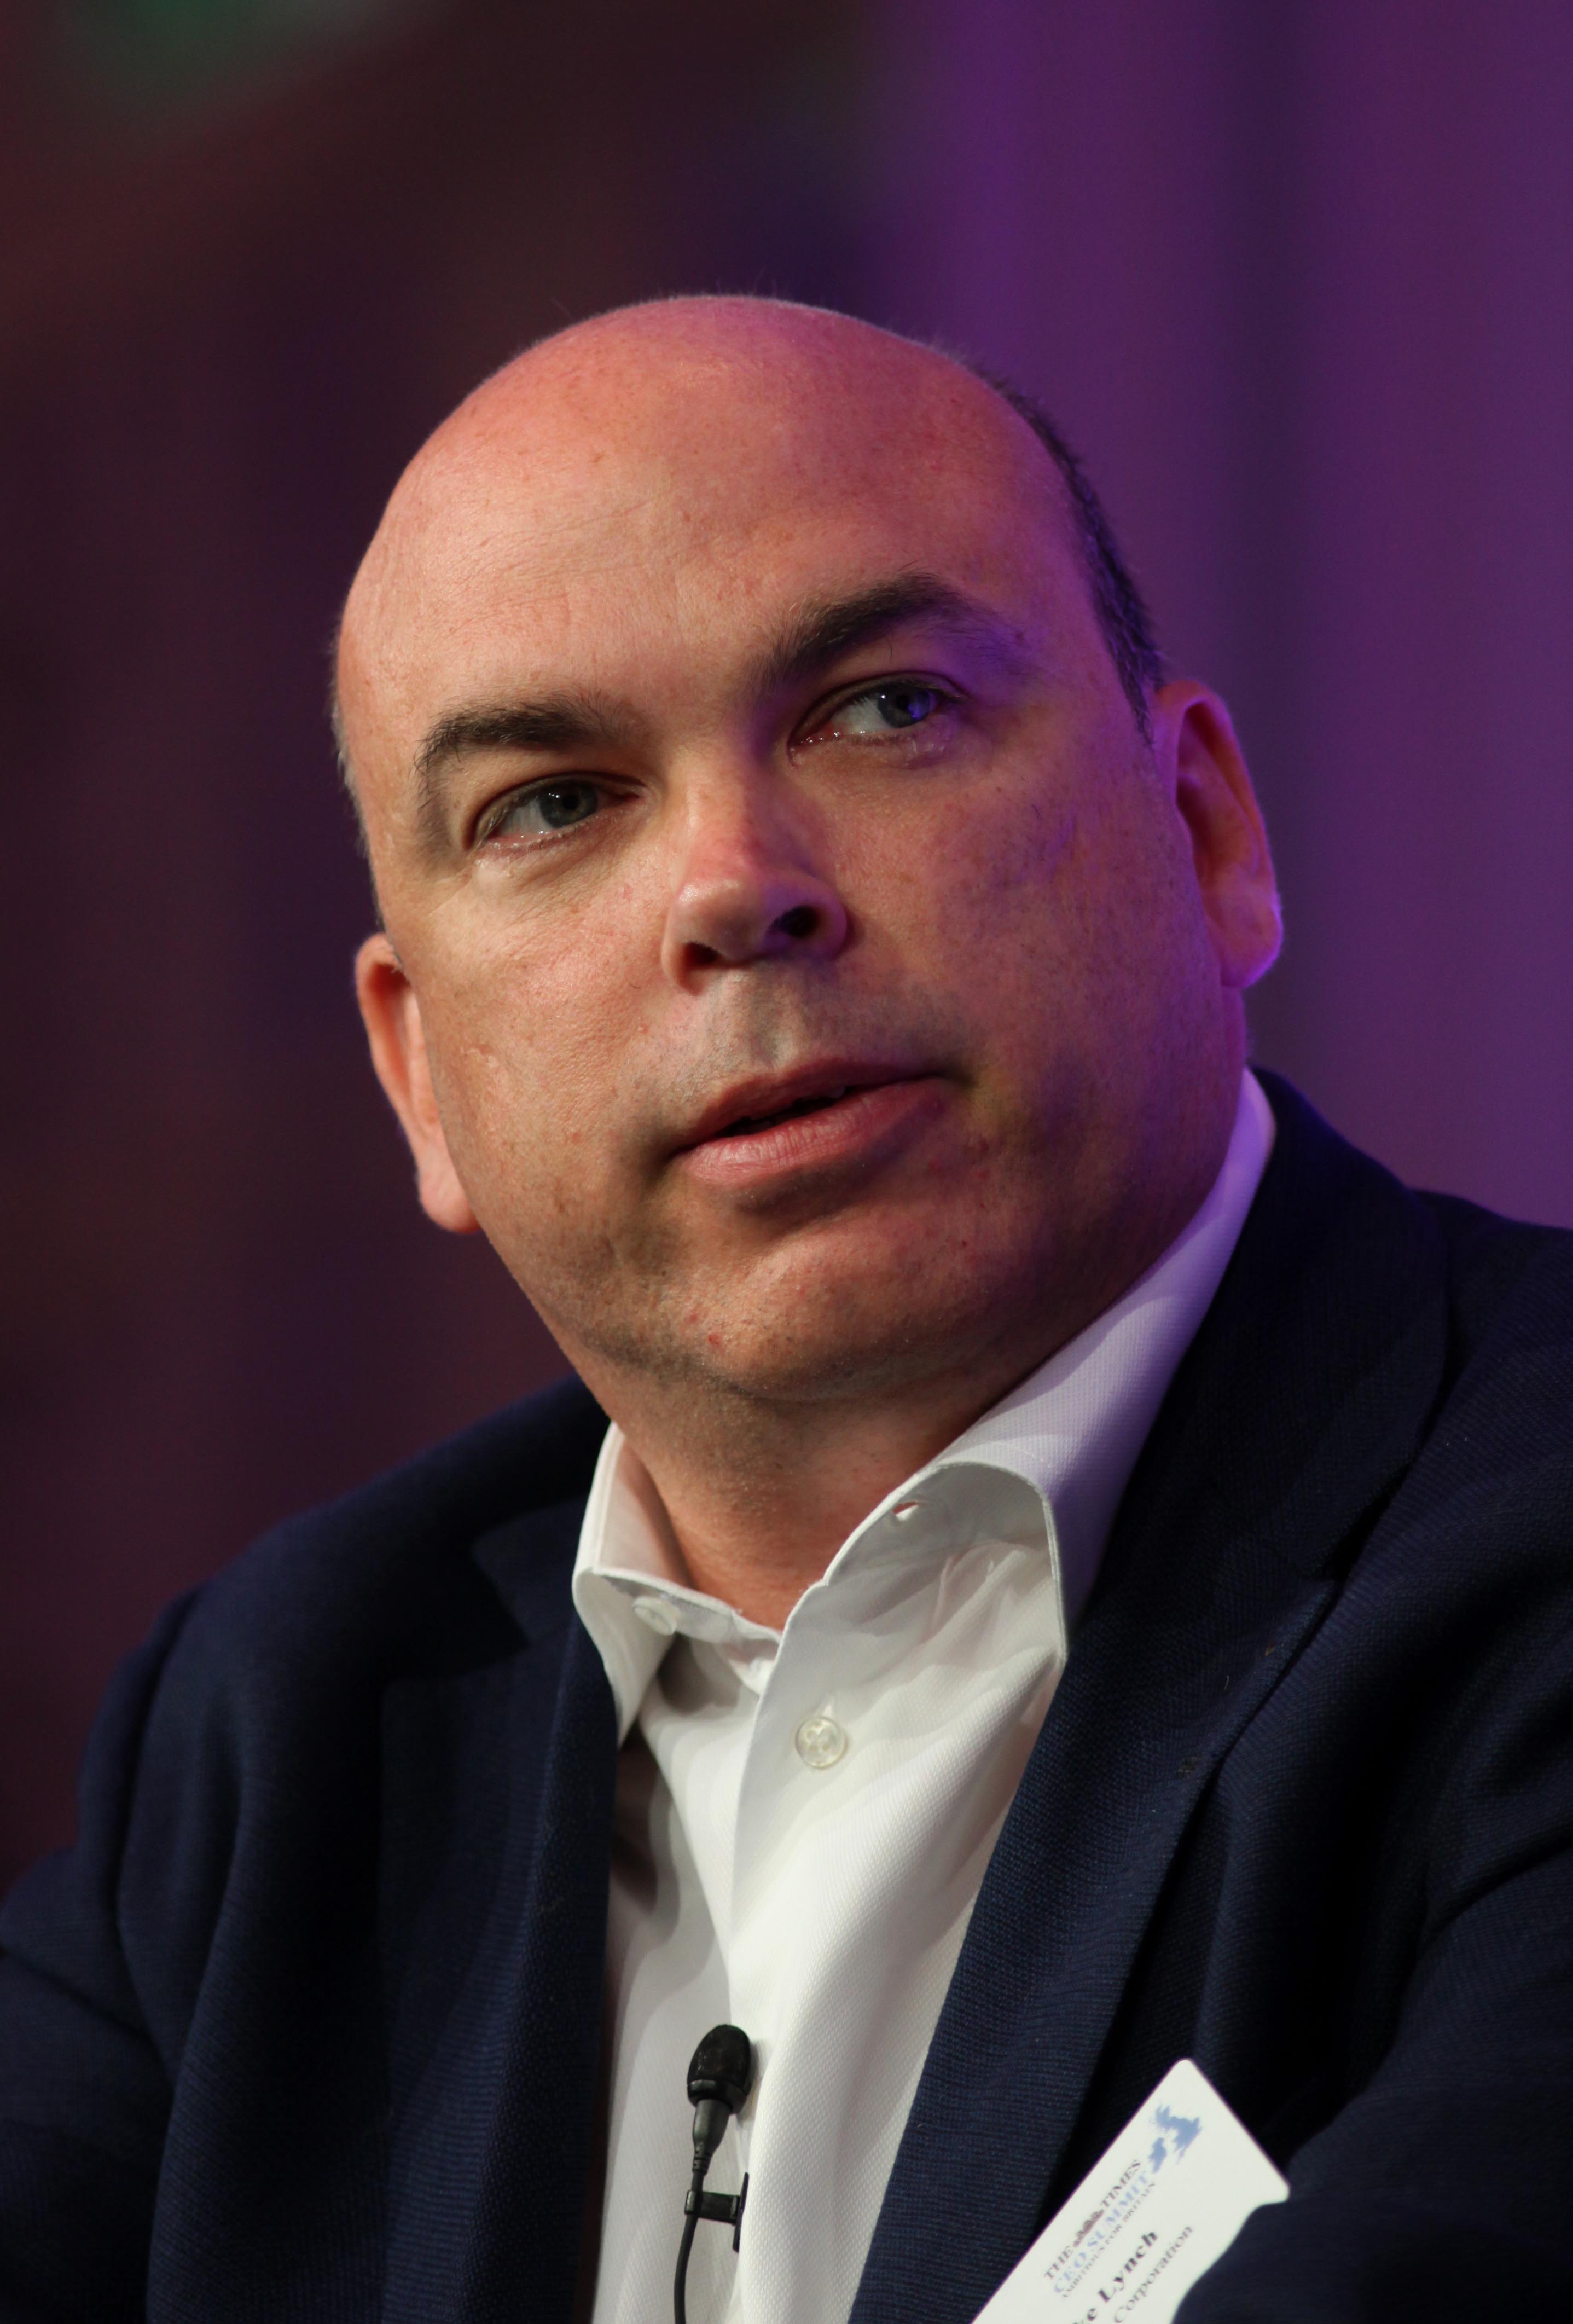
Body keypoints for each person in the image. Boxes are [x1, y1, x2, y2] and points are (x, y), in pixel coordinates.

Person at [2, 297, 1571, 2324]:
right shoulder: (270, 1727)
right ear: (421, 1080)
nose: (735, 886)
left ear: (1204, 833)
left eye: (884, 708)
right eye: (555, 802)